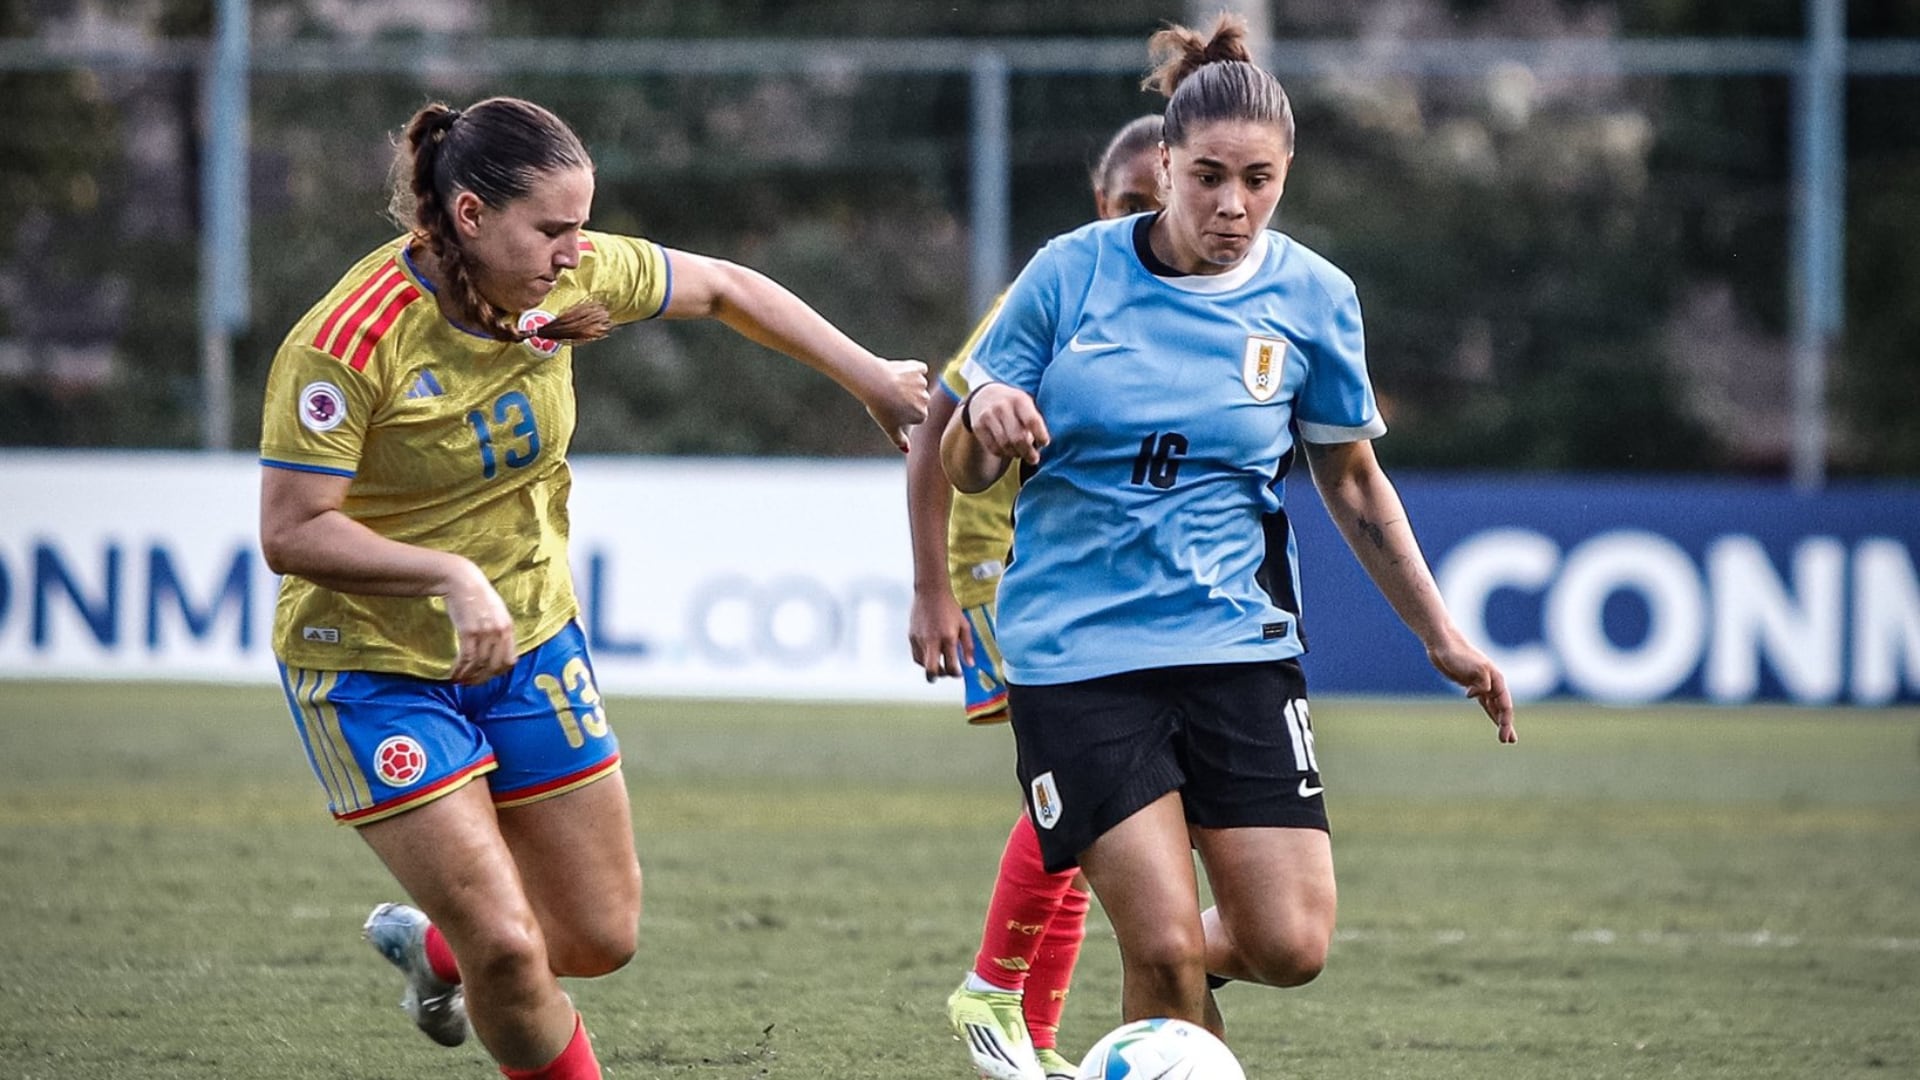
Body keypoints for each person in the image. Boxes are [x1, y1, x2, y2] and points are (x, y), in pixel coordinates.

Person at [257, 96, 927, 1080]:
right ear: (473, 216)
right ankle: (474, 949)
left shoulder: (553, 277)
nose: (579, 251)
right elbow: (291, 530)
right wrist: (447, 576)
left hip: (530, 639)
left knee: (599, 937)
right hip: (371, 669)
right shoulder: (348, 347)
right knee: (512, 949)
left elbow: (728, 288)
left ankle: (434, 946)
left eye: (584, 225)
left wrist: (868, 375)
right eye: (555, 229)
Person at [939, 15, 1516, 1039]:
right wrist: (984, 422)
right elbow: (963, 463)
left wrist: (1442, 634)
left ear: (1286, 175)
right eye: (1207, 175)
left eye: (1259, 180)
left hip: (1234, 646)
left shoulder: (1314, 300)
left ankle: (1138, 992)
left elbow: (1352, 480)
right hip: (1078, 654)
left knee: (1289, 944)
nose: (1232, 204)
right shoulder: (1068, 276)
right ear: (1162, 163)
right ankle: (1143, 991)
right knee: (1161, 950)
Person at [906, 115, 1163, 1080]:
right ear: (1104, 206)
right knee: (1081, 787)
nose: (1147, 216)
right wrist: (933, 587)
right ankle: (993, 992)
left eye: (1158, 200)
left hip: (1084, 577)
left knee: (1085, 809)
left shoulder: (1176, 304)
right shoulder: (1052, 287)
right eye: (1129, 203)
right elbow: (939, 425)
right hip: (1002, 569)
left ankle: (1037, 1040)